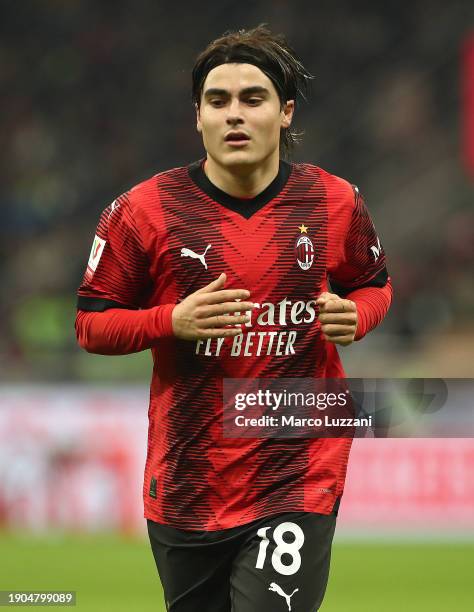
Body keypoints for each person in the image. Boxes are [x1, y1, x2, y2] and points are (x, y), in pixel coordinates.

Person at [75, 25, 392, 612]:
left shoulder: (335, 202)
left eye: (253, 99)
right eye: (217, 101)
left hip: (297, 461)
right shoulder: (143, 212)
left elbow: (374, 287)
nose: (234, 115)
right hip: (188, 475)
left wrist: (357, 316)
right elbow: (91, 323)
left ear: (285, 112)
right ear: (198, 116)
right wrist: (170, 321)